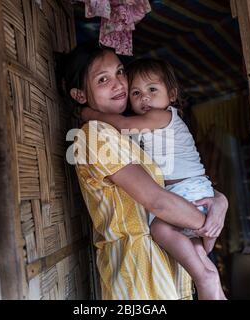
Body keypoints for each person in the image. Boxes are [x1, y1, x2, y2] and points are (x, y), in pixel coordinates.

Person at [60, 41, 228, 300]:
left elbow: (175, 179)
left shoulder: (132, 134)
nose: (119, 84)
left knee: (210, 278)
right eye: (103, 79)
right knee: (208, 277)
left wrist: (220, 201)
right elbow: (158, 201)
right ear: (81, 96)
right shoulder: (95, 135)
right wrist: (208, 223)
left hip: (165, 264)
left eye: (120, 72)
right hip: (137, 271)